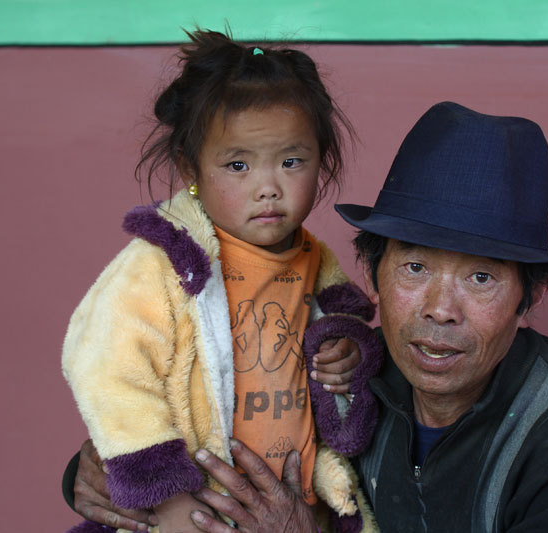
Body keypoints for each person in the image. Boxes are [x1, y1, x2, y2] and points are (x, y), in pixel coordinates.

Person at [66, 102, 548, 532]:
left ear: (531, 298)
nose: (439, 311)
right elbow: (221, 412)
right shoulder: (353, 376)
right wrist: (88, 473)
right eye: (415, 269)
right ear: (371, 274)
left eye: (481, 278)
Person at [61, 28, 382, 533]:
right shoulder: (167, 261)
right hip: (195, 511)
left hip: (293, 512)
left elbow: (346, 321)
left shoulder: (313, 256)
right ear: (191, 167)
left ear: (323, 160)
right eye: (237, 165)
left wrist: (346, 351)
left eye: (292, 161)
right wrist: (164, 495)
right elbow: (106, 365)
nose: (269, 188)